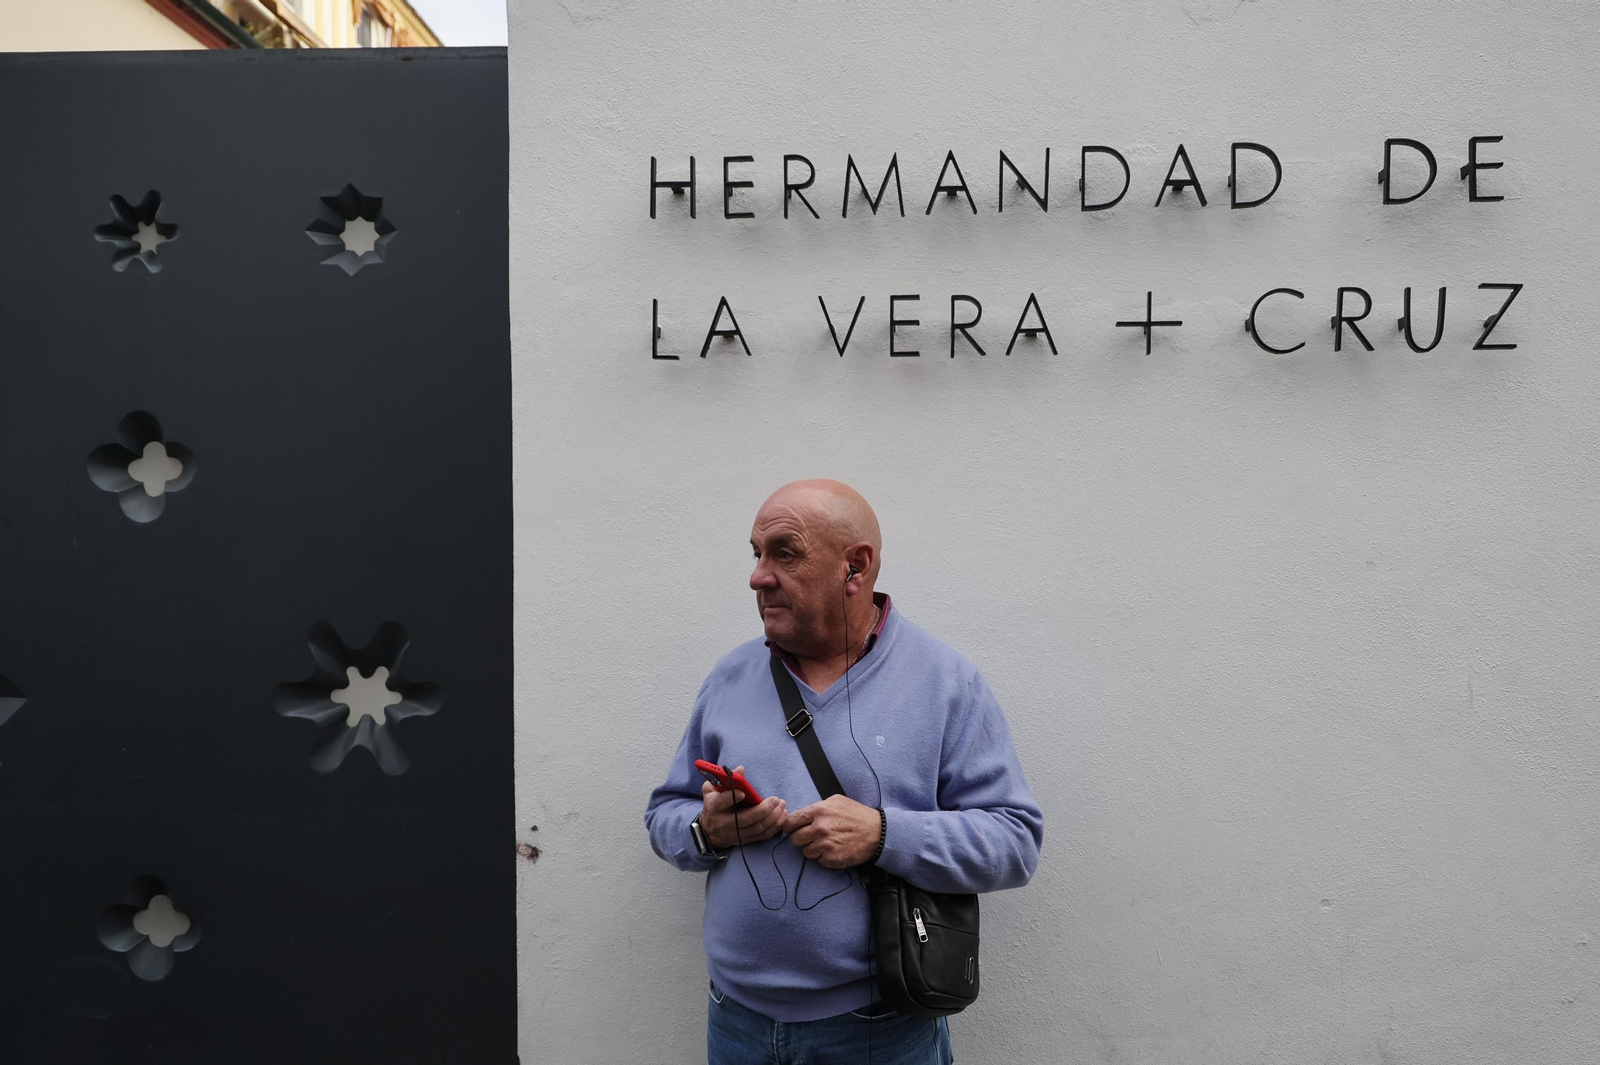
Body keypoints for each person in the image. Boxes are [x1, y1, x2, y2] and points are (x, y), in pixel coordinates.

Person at [645, 479, 1044, 1065]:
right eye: (756, 554)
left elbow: (1015, 842)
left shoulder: (944, 683)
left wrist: (883, 835)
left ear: (855, 568)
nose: (758, 576)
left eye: (785, 553)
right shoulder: (731, 678)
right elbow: (664, 816)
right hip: (736, 1023)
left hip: (881, 1031)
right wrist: (709, 831)